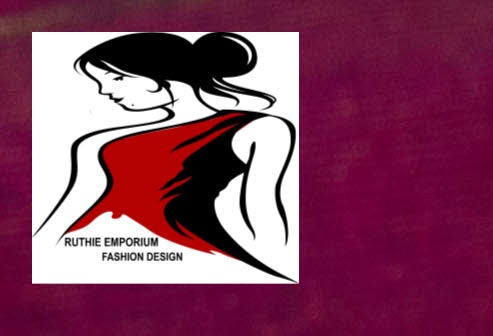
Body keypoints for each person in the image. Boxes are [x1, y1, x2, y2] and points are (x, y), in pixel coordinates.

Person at [34, 31, 296, 279]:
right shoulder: (97, 142)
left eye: (116, 78)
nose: (105, 91)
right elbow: (65, 214)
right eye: (99, 82)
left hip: (192, 254)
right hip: (86, 259)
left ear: (157, 74)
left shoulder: (261, 128)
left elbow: (263, 209)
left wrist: (277, 273)